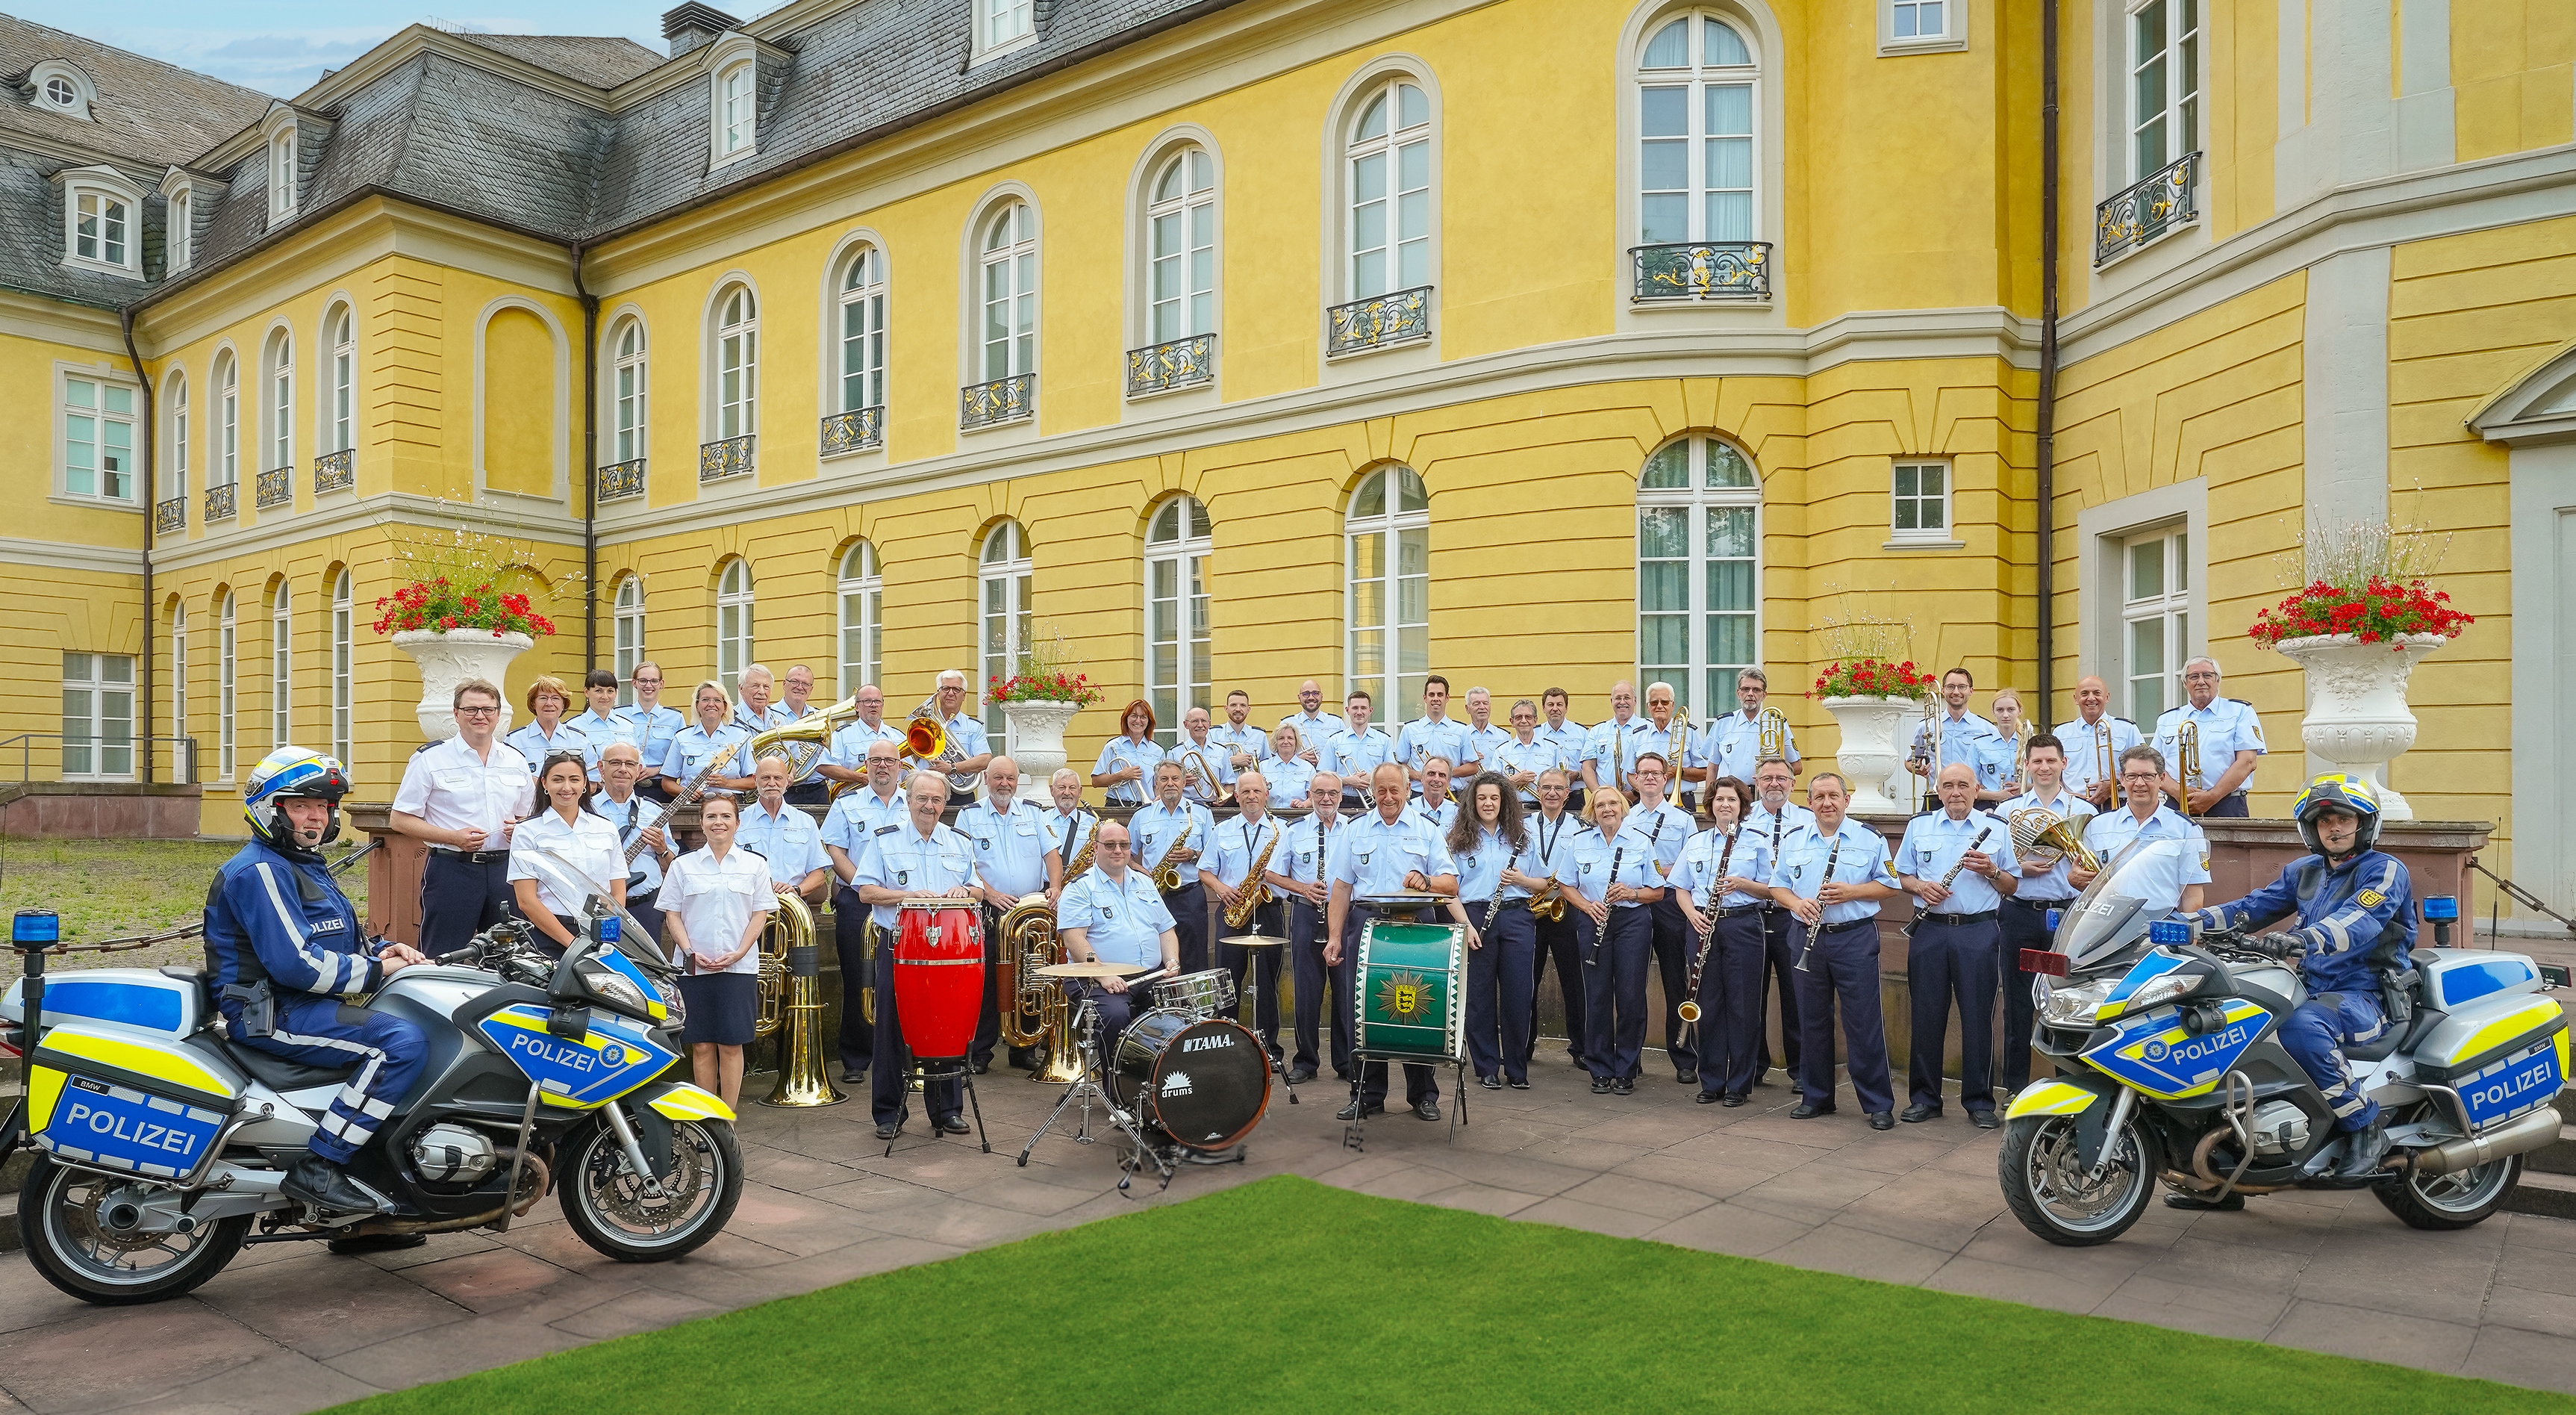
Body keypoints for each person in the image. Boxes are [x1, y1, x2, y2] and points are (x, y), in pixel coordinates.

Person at [207, 748, 429, 1223]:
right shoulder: (262, 871)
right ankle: (321, 1164)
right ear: (270, 809)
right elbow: (297, 966)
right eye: (301, 805)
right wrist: (376, 972)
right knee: (399, 1044)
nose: (316, 816)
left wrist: (381, 952)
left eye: (325, 807)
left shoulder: (300, 864)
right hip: (270, 1011)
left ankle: (371, 1193)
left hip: (298, 1003)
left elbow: (330, 939)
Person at [2183, 774, 2411, 1195]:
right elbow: (2250, 908)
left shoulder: (2385, 871)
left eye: (2345, 819)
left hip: (2368, 994)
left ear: (2364, 824)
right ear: (2312, 829)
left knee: (2302, 1028)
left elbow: (2360, 920)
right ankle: (2226, 1169)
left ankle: (2364, 1127)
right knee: (2232, 1019)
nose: (2335, 828)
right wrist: (2182, 924)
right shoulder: (2304, 871)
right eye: (2325, 823)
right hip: (2307, 985)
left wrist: (2304, 938)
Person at [1768, 773, 1904, 1130]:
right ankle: (1816, 1096)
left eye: (1833, 796)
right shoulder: (1794, 839)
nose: (1826, 803)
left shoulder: (1870, 838)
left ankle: (1877, 1103)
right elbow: (1777, 886)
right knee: (1810, 1019)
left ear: (1846, 800)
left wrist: (1851, 893)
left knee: (1863, 1021)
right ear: (1809, 803)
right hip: (1806, 936)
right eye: (1818, 797)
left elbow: (1890, 886)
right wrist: (1797, 904)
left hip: (1853, 937)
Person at [1325, 762, 1457, 1122]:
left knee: (1416, 1008)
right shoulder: (1356, 830)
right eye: (1380, 791)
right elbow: (1340, 887)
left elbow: (1451, 883)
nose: (1387, 798)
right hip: (1367, 925)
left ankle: (1424, 1095)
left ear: (1407, 790)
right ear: (1372, 791)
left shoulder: (1426, 830)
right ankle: (1366, 1095)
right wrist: (1335, 937)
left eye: (1394, 790)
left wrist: (1426, 880)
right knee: (1364, 1013)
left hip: (1416, 927)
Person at [852, 771, 979, 1140]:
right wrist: (908, 898)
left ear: (945, 804)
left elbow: (978, 890)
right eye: (922, 799)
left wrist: (966, 891)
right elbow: (866, 892)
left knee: (947, 1024)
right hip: (900, 945)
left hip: (949, 950)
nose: (929, 806)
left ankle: (947, 1110)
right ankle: (889, 1113)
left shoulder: (959, 842)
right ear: (908, 801)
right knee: (893, 1029)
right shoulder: (884, 842)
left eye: (937, 800)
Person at [1893, 763, 2019, 1128]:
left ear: (1977, 789)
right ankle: (1925, 1098)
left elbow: (2012, 886)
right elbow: (1901, 875)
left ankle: (1979, 1101)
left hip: (1977, 932)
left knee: (1979, 1017)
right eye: (1948, 786)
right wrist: (1919, 888)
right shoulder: (1919, 826)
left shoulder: (1996, 829)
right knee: (1926, 1016)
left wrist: (1992, 871)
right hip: (1929, 930)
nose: (1956, 793)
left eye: (1963, 785)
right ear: (1938, 789)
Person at [390, 679, 534, 957]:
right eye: (471, 710)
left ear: (498, 714)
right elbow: (400, 819)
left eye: (488, 709)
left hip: (506, 871)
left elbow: (526, 816)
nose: (480, 716)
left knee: (510, 956)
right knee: (442, 955)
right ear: (456, 714)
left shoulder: (515, 760)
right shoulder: (431, 759)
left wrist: (520, 829)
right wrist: (453, 837)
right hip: (453, 870)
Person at [660, 792, 770, 1113]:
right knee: (702, 1045)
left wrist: (739, 953)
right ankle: (706, 1117)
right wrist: (689, 950)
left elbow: (760, 914)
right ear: (701, 824)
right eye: (711, 817)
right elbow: (673, 914)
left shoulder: (755, 865)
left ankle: (726, 1119)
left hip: (738, 968)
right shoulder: (683, 866)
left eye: (725, 817)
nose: (718, 823)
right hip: (695, 968)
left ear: (737, 823)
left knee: (731, 1045)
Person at [1997, 733, 2093, 1097]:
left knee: (2067, 1001)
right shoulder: (2008, 811)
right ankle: (2015, 1088)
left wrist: (2077, 871)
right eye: (2036, 761)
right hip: (2019, 915)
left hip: (2066, 917)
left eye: (2051, 760)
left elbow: (2095, 866)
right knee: (2018, 1003)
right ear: (2027, 765)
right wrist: (2021, 867)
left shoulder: (2084, 810)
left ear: (2063, 763)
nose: (2044, 767)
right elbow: (1999, 866)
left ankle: (2068, 1088)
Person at [1671, 775, 1774, 1106]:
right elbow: (1681, 888)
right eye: (1718, 800)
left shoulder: (1757, 840)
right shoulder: (1697, 842)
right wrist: (1692, 915)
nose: (1724, 805)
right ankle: (1711, 1080)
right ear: (1710, 805)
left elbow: (1773, 888)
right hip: (1702, 924)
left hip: (1742, 926)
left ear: (1742, 806)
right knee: (1708, 1004)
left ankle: (1739, 1085)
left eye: (1731, 800)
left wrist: (1743, 884)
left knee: (1743, 1007)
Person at [959, 756, 1061, 1072]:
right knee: (988, 980)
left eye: (1011, 779)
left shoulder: (1033, 813)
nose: (1005, 784)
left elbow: (1051, 853)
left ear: (1018, 782)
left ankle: (1024, 1048)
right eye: (999, 778)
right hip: (990, 909)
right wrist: (988, 892)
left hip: (1029, 912)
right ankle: (981, 1052)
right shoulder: (968, 815)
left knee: (1029, 977)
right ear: (986, 779)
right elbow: (965, 864)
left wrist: (1055, 886)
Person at [1055, 821, 1182, 1073]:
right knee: (1114, 1016)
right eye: (1110, 845)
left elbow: (1165, 929)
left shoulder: (1145, 883)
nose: (1117, 851)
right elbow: (1074, 940)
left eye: (1124, 845)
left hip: (1148, 975)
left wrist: (1171, 960)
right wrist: (1103, 974)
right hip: (1094, 976)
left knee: (1180, 1010)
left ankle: (1164, 1087)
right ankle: (1119, 1091)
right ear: (1096, 848)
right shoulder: (1079, 888)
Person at [822, 740, 911, 1084]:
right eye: (876, 761)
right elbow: (836, 850)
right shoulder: (846, 804)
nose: (883, 767)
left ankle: (903, 1052)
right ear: (866, 765)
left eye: (889, 760)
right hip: (857, 900)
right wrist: (863, 888)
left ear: (900, 766)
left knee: (904, 979)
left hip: (904, 904)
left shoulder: (913, 803)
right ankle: (856, 1056)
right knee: (858, 978)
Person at [1566, 786, 1663, 1095]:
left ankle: (1626, 1068)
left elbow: (1658, 891)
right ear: (1592, 811)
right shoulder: (1579, 842)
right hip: (1593, 919)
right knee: (1596, 996)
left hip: (1632, 922)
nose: (1607, 809)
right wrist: (1586, 906)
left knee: (1631, 996)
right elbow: (1567, 885)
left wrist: (1632, 893)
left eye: (1613, 803)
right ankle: (1599, 1067)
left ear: (1623, 807)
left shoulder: (1641, 842)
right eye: (1600, 805)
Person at [1450, 773, 1532, 1090]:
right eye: (1482, 798)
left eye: (1495, 798)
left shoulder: (1521, 838)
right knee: (1479, 995)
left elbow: (1542, 883)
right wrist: (1466, 925)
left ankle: (1517, 1067)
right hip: (1474, 916)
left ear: (1504, 802)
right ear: (1473, 801)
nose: (1488, 803)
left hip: (1516, 917)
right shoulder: (1459, 839)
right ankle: (1486, 1066)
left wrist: (1520, 880)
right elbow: (1449, 890)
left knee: (1518, 994)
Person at [1200, 769, 1287, 1062]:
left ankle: (1268, 1050)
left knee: (1267, 983)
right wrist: (1221, 888)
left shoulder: (1282, 830)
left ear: (1266, 795)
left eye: (1257, 791)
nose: (1251, 796)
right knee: (1226, 981)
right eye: (1245, 792)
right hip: (1232, 909)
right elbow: (1204, 871)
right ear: (1236, 796)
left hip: (1268, 908)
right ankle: (1226, 1047)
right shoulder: (1222, 830)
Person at [507, 751, 628, 958]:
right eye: (557, 780)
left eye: (574, 780)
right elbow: (526, 900)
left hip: (602, 936)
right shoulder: (527, 831)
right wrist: (572, 943)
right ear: (544, 783)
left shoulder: (605, 828)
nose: (566, 787)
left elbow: (617, 891)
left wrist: (603, 932)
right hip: (550, 936)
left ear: (585, 785)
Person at [1625, 752, 1699, 1084]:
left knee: (1674, 981)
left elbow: (1690, 863)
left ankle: (1684, 1057)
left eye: (1657, 773)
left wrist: (1659, 871)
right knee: (1631, 983)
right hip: (1637, 903)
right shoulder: (1626, 817)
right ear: (1635, 779)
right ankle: (1630, 1056)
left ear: (1666, 779)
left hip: (1670, 902)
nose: (1651, 778)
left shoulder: (1683, 820)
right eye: (1644, 773)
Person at [2075, 745, 2209, 916]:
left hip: (2159, 926)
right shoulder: (2097, 826)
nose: (2140, 783)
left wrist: (2191, 939)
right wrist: (2075, 879)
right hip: (2106, 925)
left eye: (2148, 776)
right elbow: (2086, 882)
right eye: (2132, 776)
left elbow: (2193, 897)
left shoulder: (2186, 830)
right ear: (2122, 779)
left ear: (2162, 779)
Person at [1741, 757, 1811, 1086]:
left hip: (1792, 918)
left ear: (1792, 783)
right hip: (1751, 916)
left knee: (1796, 996)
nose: (1774, 784)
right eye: (1767, 778)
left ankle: (1801, 1070)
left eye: (1781, 778)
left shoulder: (1809, 819)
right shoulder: (1742, 818)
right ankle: (1752, 1067)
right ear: (1756, 782)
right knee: (1751, 995)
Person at [1272, 771, 1345, 1082]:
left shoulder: (1354, 830)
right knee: (1306, 990)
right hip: (1305, 913)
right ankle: (1306, 1062)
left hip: (1343, 916)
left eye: (1332, 793)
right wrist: (1302, 888)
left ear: (1341, 796)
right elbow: (1272, 874)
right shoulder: (1294, 831)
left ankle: (1346, 1063)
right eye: (1319, 793)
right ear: (1310, 794)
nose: (1326, 798)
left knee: (1344, 990)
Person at [1514, 767, 1588, 1075]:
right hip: (1532, 907)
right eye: (1546, 788)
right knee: (1526, 982)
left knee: (1575, 982)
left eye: (1558, 788)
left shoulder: (1581, 826)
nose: (1552, 793)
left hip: (1566, 906)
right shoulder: (1522, 826)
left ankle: (1581, 1048)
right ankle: (1523, 1046)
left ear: (1567, 794)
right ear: (1538, 791)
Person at [2154, 657, 2265, 818]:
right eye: (2194, 677)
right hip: (2176, 804)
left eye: (2207, 675)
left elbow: (2248, 761)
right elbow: (2154, 765)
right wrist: (2178, 791)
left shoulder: (2240, 711)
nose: (2201, 681)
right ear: (2185, 683)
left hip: (2227, 805)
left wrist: (2212, 796)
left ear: (2218, 680)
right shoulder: (2167, 719)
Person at [589, 742, 673, 952]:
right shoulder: (586, 811)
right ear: (601, 768)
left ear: (638, 771)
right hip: (600, 906)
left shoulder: (654, 811)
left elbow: (669, 864)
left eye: (630, 764)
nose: (622, 769)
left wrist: (661, 848)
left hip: (645, 906)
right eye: (615, 763)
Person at [1132, 760, 1214, 974]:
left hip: (1190, 895)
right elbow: (1126, 855)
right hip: (1153, 894)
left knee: (1194, 958)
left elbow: (1214, 856)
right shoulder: (1142, 815)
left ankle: (1193, 1007)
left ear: (1183, 782)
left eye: (1175, 779)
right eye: (1164, 779)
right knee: (1154, 957)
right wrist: (1139, 870)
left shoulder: (1201, 813)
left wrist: (1193, 855)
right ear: (1156, 784)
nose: (1170, 783)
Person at [1907, 668, 2007, 806]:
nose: (1956, 692)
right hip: (1936, 796)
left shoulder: (1987, 728)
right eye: (1950, 687)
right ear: (1943, 691)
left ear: (1971, 691)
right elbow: (1910, 761)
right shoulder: (1927, 725)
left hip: (1973, 798)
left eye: (1962, 687)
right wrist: (1917, 769)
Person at [2052, 674, 2142, 811]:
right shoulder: (2061, 733)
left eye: (2097, 693)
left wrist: (2114, 785)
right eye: (2084, 694)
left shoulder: (2127, 729)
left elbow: (2142, 768)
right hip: (2071, 806)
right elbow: (2053, 771)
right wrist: (2065, 793)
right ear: (2076, 699)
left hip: (2116, 805)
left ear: (2107, 697)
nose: (2091, 698)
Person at [1703, 668, 1803, 786]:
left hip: (1765, 795)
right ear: (1738, 693)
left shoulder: (1777, 723)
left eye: (1756, 690)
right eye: (1745, 689)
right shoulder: (1723, 723)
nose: (1750, 694)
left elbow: (1797, 767)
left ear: (1764, 695)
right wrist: (1709, 800)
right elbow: (1712, 767)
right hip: (1730, 796)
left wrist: (1771, 776)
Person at [660, 680, 754, 797]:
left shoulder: (741, 736)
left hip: (731, 803)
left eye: (717, 700)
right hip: (694, 806)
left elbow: (754, 780)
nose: (711, 704)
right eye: (705, 700)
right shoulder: (681, 737)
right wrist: (686, 793)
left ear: (725, 707)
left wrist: (727, 783)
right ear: (697, 706)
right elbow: (667, 782)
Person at [615, 661, 687, 803]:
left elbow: (682, 756)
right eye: (643, 681)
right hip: (624, 786)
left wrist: (658, 769)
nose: (649, 686)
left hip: (661, 788)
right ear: (634, 683)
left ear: (661, 684)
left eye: (654, 681)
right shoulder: (618, 715)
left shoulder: (674, 717)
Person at [1397, 674, 1473, 797]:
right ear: (1425, 698)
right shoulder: (1410, 729)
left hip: (1451, 794)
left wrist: (1446, 772)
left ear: (1447, 698)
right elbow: (1400, 764)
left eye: (1440, 695)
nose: (1436, 698)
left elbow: (1473, 767)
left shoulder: (1461, 730)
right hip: (1420, 793)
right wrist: (1419, 775)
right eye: (1431, 695)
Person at [929, 669, 996, 803]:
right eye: (946, 688)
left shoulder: (973, 727)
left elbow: (985, 759)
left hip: (959, 796)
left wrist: (952, 768)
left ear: (964, 696)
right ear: (938, 693)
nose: (950, 693)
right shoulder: (924, 724)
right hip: (927, 790)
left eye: (956, 690)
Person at [1582, 681, 1654, 805]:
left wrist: (1635, 794)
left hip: (1640, 800)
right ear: (1611, 701)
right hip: (1604, 802)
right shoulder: (1597, 730)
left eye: (1627, 698)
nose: (1622, 702)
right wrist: (1599, 795)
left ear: (1635, 701)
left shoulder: (1649, 729)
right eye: (1618, 698)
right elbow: (1587, 767)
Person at [820, 685, 904, 789]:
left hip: (892, 802)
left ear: (882, 705)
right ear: (857, 707)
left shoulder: (899, 736)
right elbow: (825, 767)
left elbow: (911, 772)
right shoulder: (842, 735)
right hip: (854, 801)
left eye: (877, 701)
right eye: (867, 701)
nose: (874, 705)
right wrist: (861, 778)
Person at [1326, 690, 1397, 812]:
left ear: (1370, 710)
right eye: (1355, 708)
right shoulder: (1335, 741)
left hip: (1375, 799)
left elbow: (1393, 774)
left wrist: (1374, 778)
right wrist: (1347, 781)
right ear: (1347, 710)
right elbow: (1325, 777)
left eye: (1363, 708)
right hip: (1343, 801)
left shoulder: (1384, 740)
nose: (1359, 712)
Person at [503, 675, 587, 772]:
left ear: (563, 704)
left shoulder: (580, 740)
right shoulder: (514, 741)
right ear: (533, 703)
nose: (549, 703)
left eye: (555, 698)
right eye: (543, 698)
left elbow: (592, 782)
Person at [1091, 699, 1165, 807]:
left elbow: (1157, 784)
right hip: (1116, 806)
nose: (1138, 721)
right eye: (1134, 716)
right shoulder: (1112, 746)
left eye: (1143, 717)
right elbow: (1096, 781)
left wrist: (1159, 797)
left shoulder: (1158, 751)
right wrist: (1121, 775)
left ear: (1149, 721)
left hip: (1147, 807)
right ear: (1126, 719)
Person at [776, 665, 832, 805]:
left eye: (805, 684)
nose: (800, 687)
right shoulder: (771, 715)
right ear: (784, 684)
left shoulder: (820, 717)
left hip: (818, 792)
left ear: (811, 689)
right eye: (794, 682)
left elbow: (826, 755)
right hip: (785, 792)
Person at [1043, 767, 1098, 905]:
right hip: (1046, 890)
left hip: (1081, 889)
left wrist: (1096, 858)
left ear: (1080, 791)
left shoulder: (1092, 822)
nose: (1067, 793)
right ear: (1052, 790)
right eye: (1061, 787)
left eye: (1072, 788)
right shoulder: (1040, 820)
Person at [570, 669, 635, 782]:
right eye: (599, 691)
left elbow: (638, 761)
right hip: (592, 790)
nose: (605, 697)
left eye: (610, 691)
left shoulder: (628, 727)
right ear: (586, 692)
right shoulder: (572, 728)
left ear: (616, 693)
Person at [1641, 683, 1697, 812]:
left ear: (1672, 705)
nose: (1659, 706)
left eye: (1665, 702)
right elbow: (1631, 775)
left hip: (1683, 800)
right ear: (1648, 707)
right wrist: (1648, 789)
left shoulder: (1690, 732)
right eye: (1654, 702)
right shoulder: (1638, 735)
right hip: (1647, 802)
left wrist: (1678, 772)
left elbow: (1705, 771)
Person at [1536, 687, 1590, 813]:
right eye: (1550, 704)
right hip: (1543, 798)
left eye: (1559, 704)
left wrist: (1577, 776)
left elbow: (1592, 768)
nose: (1555, 708)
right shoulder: (1535, 733)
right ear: (1543, 708)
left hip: (1574, 797)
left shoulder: (1582, 733)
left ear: (1566, 707)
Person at [1175, 706, 1236, 806]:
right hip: (1186, 805)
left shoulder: (1221, 751)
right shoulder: (1175, 752)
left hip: (1214, 806)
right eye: (1195, 721)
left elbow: (1229, 782)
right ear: (1186, 725)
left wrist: (1224, 798)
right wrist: (1182, 780)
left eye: (1203, 721)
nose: (1200, 725)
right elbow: (1168, 782)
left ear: (1209, 724)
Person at [1278, 679, 1347, 768]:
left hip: (1327, 778)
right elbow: (1277, 757)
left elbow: (1344, 754)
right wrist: (1298, 759)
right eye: (1306, 694)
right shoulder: (1287, 723)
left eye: (1315, 693)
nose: (1311, 697)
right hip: (1297, 778)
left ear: (1322, 696)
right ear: (1299, 697)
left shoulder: (1337, 723)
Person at [1255, 722, 1315, 810]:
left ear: (1296, 741)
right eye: (1281, 738)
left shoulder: (1308, 768)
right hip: (1270, 817)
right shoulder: (1262, 767)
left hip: (1299, 817)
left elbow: (1314, 796)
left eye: (1290, 738)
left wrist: (1303, 804)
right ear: (1276, 742)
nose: (1286, 742)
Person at [1462, 688, 1510, 790]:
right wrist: (1466, 761)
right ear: (1467, 708)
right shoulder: (1460, 735)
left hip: (1495, 791)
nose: (1482, 707)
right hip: (1465, 791)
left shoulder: (1504, 737)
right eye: (1476, 704)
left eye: (1485, 703)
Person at [1210, 689, 1267, 774]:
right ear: (1226, 708)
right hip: (1223, 786)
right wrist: (1231, 761)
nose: (1238, 709)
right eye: (1233, 705)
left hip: (1250, 786)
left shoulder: (1260, 735)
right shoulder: (1213, 734)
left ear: (1248, 709)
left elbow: (1267, 766)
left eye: (1243, 705)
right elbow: (1206, 765)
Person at [1989, 689, 2033, 797]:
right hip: (1990, 805)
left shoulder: (2032, 742)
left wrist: (2024, 787)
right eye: (2000, 710)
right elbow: (1970, 785)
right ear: (1993, 712)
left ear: (2020, 711)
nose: (2005, 715)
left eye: (2011, 710)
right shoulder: (1979, 744)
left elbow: (2048, 781)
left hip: (2026, 802)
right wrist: (1997, 796)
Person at [732, 664, 793, 733]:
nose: (762, 692)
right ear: (741, 689)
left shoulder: (782, 719)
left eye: (766, 687)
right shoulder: (730, 721)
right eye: (755, 686)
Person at [1415, 757, 1459, 831]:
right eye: (1431, 774)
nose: (1436, 779)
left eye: (1442, 775)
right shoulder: (1408, 809)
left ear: (1448, 781)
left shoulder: (1458, 813)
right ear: (1422, 778)